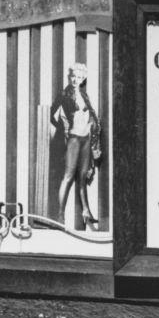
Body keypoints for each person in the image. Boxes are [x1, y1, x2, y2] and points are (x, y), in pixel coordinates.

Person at [51, 63, 101, 230]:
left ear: (83, 79)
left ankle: (86, 212)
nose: (75, 79)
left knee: (82, 178)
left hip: (86, 138)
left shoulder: (84, 95)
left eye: (79, 77)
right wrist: (63, 128)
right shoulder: (64, 95)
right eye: (73, 76)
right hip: (73, 139)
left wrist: (92, 126)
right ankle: (60, 216)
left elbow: (90, 115)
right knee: (68, 176)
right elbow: (51, 115)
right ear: (69, 76)